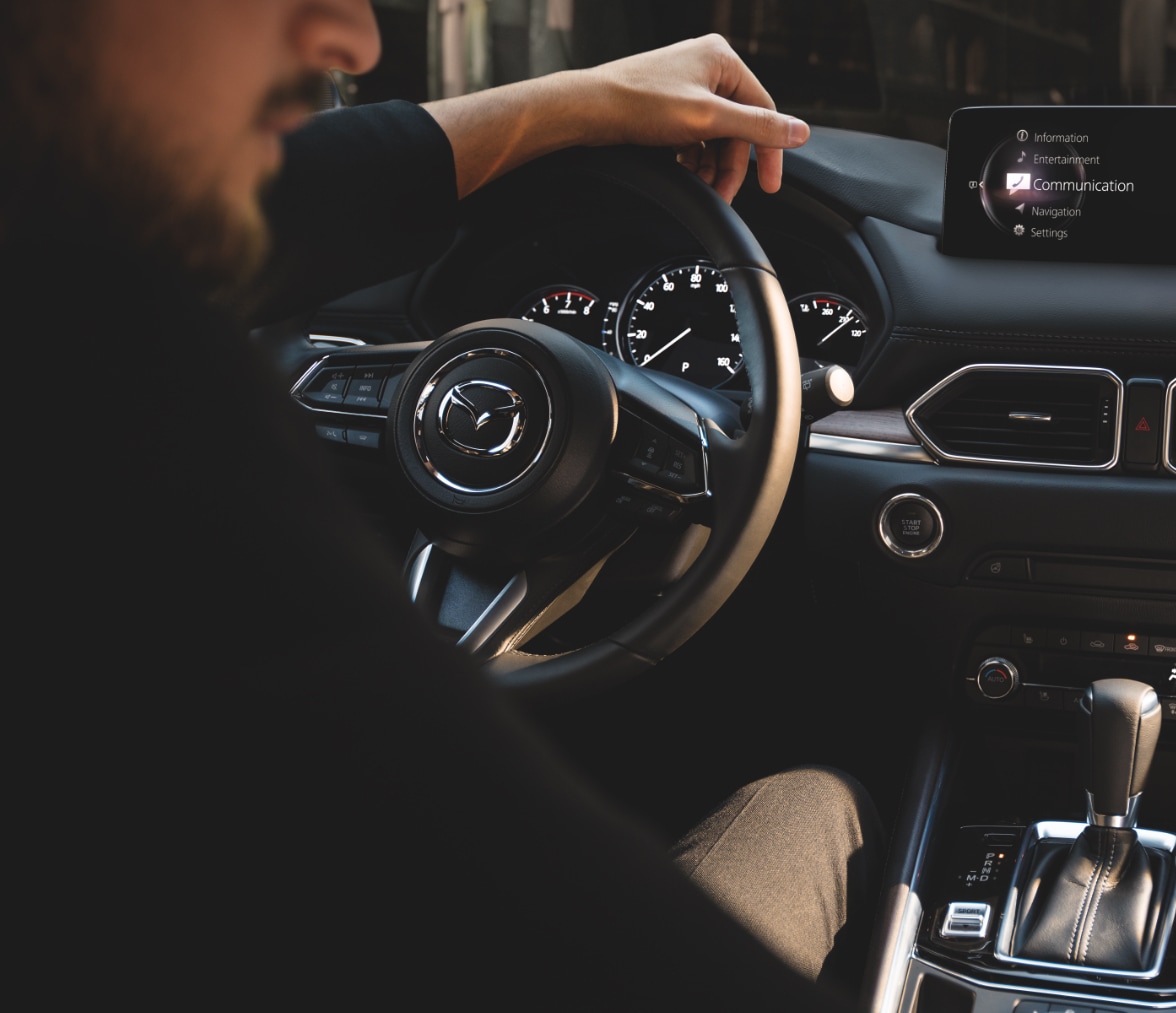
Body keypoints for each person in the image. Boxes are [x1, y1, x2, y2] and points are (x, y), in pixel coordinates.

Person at [3, 2, 878, 1006]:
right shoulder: (110, 380)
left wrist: (582, 103)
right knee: (816, 803)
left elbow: (275, 195)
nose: (356, 39)